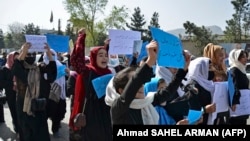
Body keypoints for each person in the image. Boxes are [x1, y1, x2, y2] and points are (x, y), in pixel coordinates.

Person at [105, 40, 190, 125]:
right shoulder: (118, 109)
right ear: (121, 91)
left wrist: (183, 70)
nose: (141, 86)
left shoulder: (146, 103)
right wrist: (151, 60)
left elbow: (168, 92)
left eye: (142, 83)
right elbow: (136, 81)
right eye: (138, 84)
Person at [69, 28, 113, 141]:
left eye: (106, 55)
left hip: (106, 111)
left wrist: (106, 46)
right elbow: (76, 60)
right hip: (91, 114)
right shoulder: (88, 71)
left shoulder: (108, 72)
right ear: (93, 57)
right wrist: (81, 38)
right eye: (100, 55)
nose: (104, 58)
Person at [12, 42, 57, 141]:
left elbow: (52, 76)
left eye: (33, 53)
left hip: (38, 107)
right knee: (27, 135)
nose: (31, 56)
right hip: (24, 108)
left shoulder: (39, 67)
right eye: (28, 54)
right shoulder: (21, 68)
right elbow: (16, 68)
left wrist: (49, 54)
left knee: (41, 135)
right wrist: (24, 51)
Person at [183, 57, 216, 125]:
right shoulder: (192, 86)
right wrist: (204, 110)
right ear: (201, 69)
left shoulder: (209, 83)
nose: (213, 69)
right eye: (209, 68)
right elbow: (190, 109)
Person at [45, 49, 68, 137]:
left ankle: (55, 129)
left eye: (52, 54)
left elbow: (64, 79)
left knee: (58, 111)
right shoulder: (43, 65)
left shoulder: (59, 64)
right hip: (48, 92)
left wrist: (66, 73)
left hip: (60, 92)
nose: (50, 56)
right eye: (48, 54)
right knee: (47, 112)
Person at [0, 51, 20, 138]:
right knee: (14, 110)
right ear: (10, 58)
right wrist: (13, 83)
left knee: (21, 110)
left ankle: (21, 127)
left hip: (20, 92)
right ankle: (16, 126)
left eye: (17, 59)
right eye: (14, 59)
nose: (16, 61)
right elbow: (1, 83)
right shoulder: (4, 69)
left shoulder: (20, 67)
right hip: (10, 94)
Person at [228, 49, 249, 125]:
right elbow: (233, 87)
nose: (246, 59)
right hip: (237, 106)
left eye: (246, 56)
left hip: (244, 105)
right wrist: (233, 102)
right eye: (243, 57)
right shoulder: (234, 70)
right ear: (236, 58)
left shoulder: (242, 70)